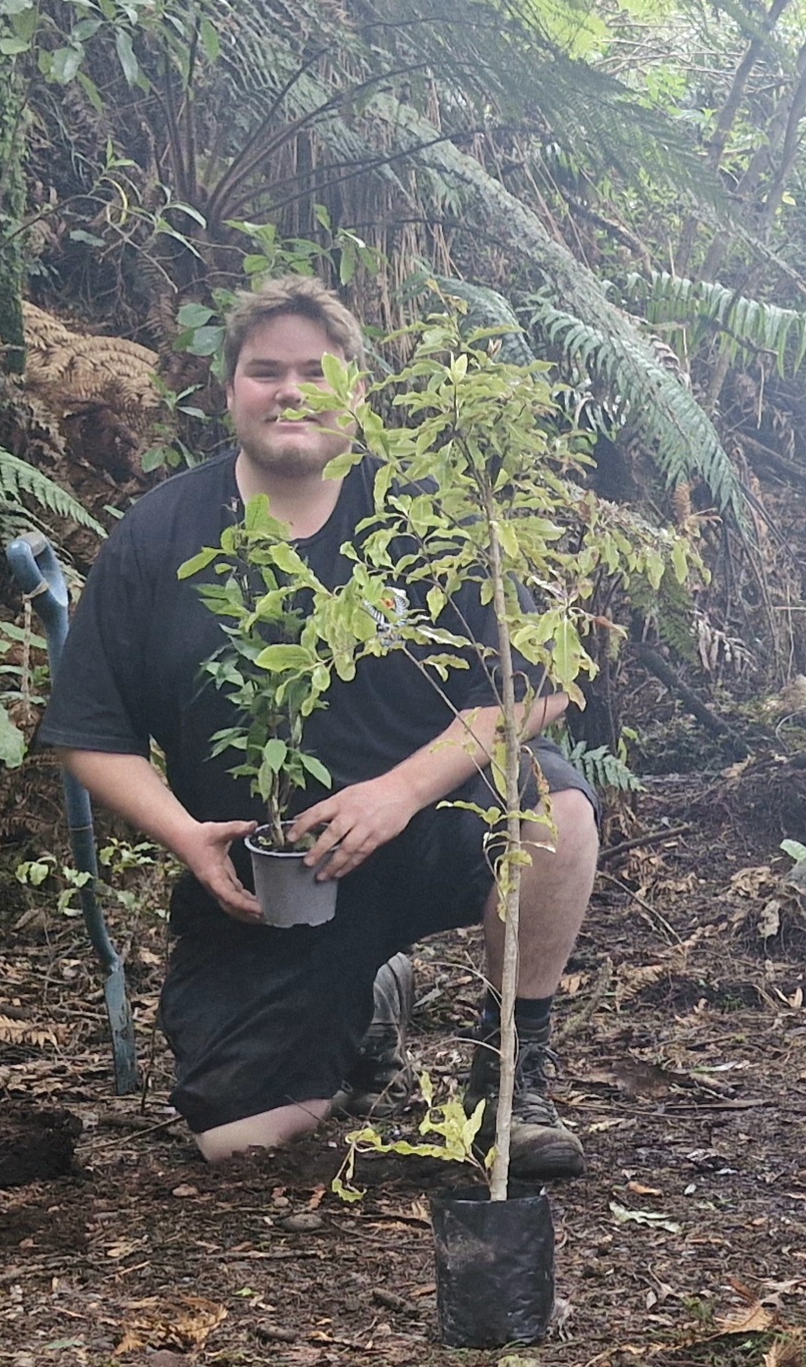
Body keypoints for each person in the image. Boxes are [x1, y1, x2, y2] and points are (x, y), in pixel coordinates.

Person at [37, 279, 602, 1168]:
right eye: (264, 372)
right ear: (229, 392)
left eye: (314, 370)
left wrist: (400, 791)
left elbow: (538, 687)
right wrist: (186, 835)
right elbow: (88, 731)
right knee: (238, 1142)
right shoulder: (162, 532)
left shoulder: (422, 517)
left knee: (552, 809)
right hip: (272, 887)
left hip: (423, 833)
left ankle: (510, 1074)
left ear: (357, 392)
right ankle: (371, 1001)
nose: (288, 391)